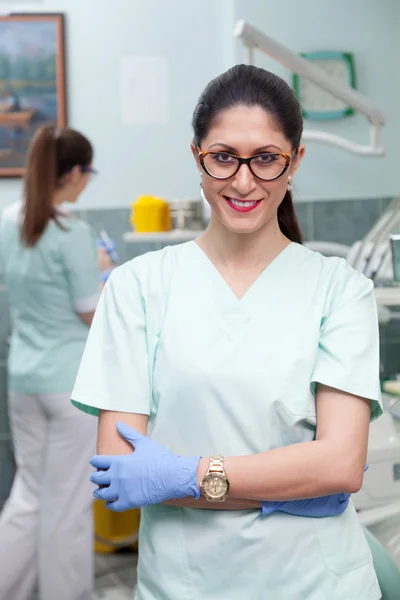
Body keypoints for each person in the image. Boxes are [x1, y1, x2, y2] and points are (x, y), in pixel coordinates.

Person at [71, 65, 382, 599]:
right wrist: (295, 489)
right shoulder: (137, 287)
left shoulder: (342, 289)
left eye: (266, 158)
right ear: (198, 157)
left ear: (295, 163)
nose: (243, 181)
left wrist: (183, 475)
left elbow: (341, 466)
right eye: (223, 157)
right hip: (185, 584)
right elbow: (123, 471)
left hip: (319, 583)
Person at [0, 125, 101, 600]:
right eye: (89, 173)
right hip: (69, 386)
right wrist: (108, 278)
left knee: (28, 497)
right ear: (76, 172)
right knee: (67, 505)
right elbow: (89, 311)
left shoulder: (6, 221)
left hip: (23, 380)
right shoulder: (72, 232)